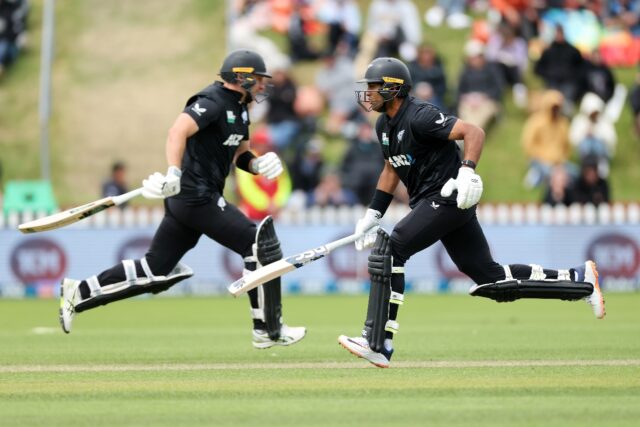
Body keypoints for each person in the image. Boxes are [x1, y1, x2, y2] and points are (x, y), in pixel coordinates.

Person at [337, 57, 605, 368]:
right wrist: (373, 213)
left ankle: (378, 342)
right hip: (435, 202)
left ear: (393, 88)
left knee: (393, 247)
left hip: (449, 196)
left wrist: (467, 170)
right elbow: (390, 168)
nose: (368, 94)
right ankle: (580, 280)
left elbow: (474, 131)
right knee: (489, 280)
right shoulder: (384, 125)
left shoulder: (420, 115)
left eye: (373, 87)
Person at [58, 50, 306, 349]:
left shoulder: (241, 109)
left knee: (155, 269)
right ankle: (267, 329)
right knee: (258, 244)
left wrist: (257, 165)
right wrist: (173, 171)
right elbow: (177, 131)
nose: (263, 86)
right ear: (241, 77)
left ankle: (78, 292)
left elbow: (240, 154)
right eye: (258, 79)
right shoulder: (212, 101)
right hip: (194, 196)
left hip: (193, 199)